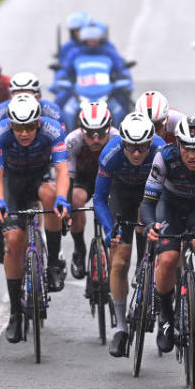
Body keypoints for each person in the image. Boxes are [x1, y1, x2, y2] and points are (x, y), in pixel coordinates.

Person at [0, 94, 71, 342]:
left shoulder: (52, 129)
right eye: (18, 127)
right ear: (10, 124)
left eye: (29, 127)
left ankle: (54, 262)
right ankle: (15, 312)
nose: (24, 133)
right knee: (14, 240)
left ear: (38, 122)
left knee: (50, 194)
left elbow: (62, 170)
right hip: (12, 182)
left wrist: (62, 198)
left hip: (38, 177)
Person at [143, 115, 195, 352]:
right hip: (170, 206)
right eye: (186, 148)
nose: (191, 155)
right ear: (177, 144)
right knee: (168, 258)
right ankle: (166, 320)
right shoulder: (164, 157)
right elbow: (148, 201)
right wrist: (150, 225)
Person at [94, 112, 165, 357]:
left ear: (150, 143)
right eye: (131, 148)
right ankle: (121, 328)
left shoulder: (161, 150)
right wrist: (107, 230)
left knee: (166, 253)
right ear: (122, 143)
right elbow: (100, 199)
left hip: (152, 195)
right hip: (121, 195)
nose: (136, 153)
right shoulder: (110, 154)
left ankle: (166, 313)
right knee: (120, 260)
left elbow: (170, 193)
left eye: (142, 147)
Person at [65, 101, 118, 280]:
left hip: (110, 179)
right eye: (90, 134)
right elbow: (68, 179)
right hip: (83, 180)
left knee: (114, 207)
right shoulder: (72, 141)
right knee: (75, 200)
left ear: (109, 128)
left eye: (101, 133)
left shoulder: (117, 139)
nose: (96, 140)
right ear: (81, 130)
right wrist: (67, 207)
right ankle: (79, 248)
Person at [54, 24, 133, 127]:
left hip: (107, 94)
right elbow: (65, 70)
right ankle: (58, 130)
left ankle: (128, 129)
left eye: (94, 39)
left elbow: (121, 68)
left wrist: (124, 77)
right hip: (79, 94)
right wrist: (62, 78)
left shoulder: (108, 52)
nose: (92, 42)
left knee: (124, 104)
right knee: (60, 103)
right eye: (89, 39)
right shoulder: (75, 53)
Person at [0, 72, 64, 130]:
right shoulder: (0, 110)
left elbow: (62, 137)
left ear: (38, 97)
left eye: (27, 95)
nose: (22, 99)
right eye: (18, 96)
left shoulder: (53, 110)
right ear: (11, 97)